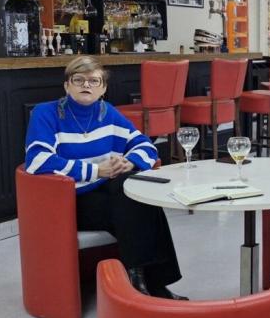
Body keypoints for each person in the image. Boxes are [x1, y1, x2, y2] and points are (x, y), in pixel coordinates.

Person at [24, 56, 184, 300]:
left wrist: (130, 161)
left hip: (108, 194)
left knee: (134, 193)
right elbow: (38, 161)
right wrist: (97, 171)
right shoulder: (46, 114)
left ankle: (142, 280)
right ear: (67, 85)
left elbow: (146, 146)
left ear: (103, 88)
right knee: (132, 201)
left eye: (93, 80)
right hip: (70, 201)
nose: (85, 85)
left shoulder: (106, 112)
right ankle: (149, 284)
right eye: (78, 79)